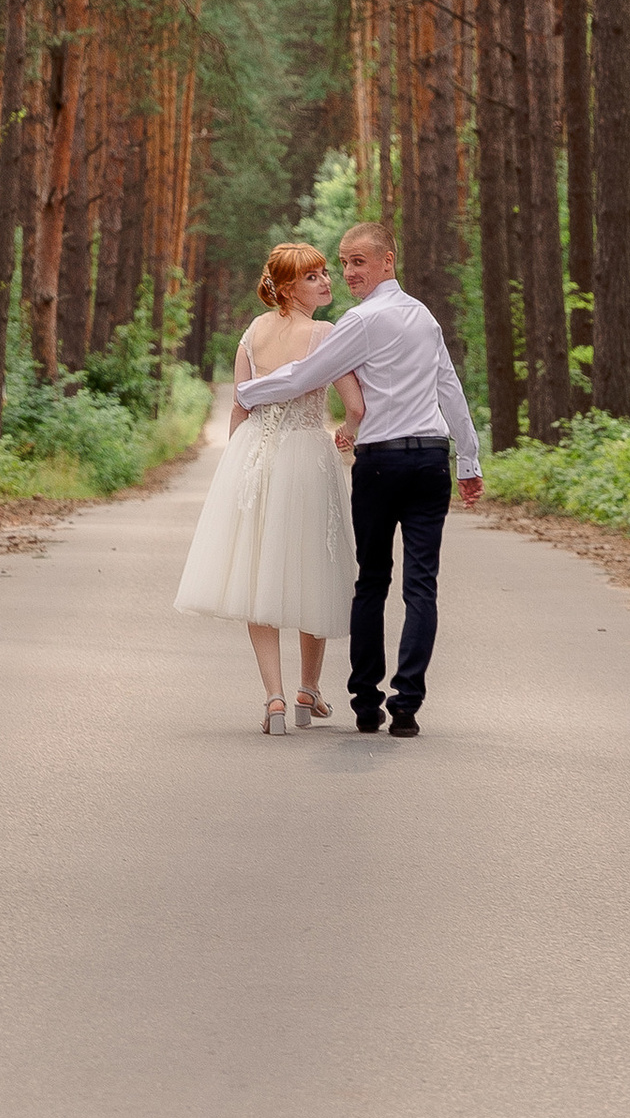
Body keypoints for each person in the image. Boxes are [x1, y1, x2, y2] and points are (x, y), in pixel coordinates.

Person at [233, 220, 482, 737]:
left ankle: (368, 704)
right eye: (343, 263)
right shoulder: (424, 317)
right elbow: (449, 388)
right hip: (431, 460)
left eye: (357, 262)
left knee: (372, 582)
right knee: (421, 586)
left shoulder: (358, 322)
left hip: (383, 461)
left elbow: (305, 376)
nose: (347, 272)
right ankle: (405, 707)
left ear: (387, 261)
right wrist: (469, 460)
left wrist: (249, 395)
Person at [173, 241, 365, 734]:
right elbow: (355, 406)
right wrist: (349, 434)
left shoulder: (254, 331)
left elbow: (240, 406)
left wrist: (237, 466)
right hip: (304, 453)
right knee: (310, 567)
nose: (325, 281)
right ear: (286, 288)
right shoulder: (324, 333)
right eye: (312, 277)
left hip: (254, 454)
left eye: (325, 273)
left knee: (256, 571)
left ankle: (274, 698)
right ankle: (307, 690)